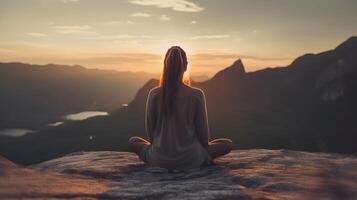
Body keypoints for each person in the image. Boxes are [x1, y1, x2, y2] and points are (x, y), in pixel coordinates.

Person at [128, 46, 232, 171]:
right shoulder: (196, 95)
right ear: (186, 66)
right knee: (227, 144)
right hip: (191, 159)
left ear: (165, 65)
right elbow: (204, 139)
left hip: (159, 159)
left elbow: (151, 137)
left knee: (133, 141)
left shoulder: (154, 94)